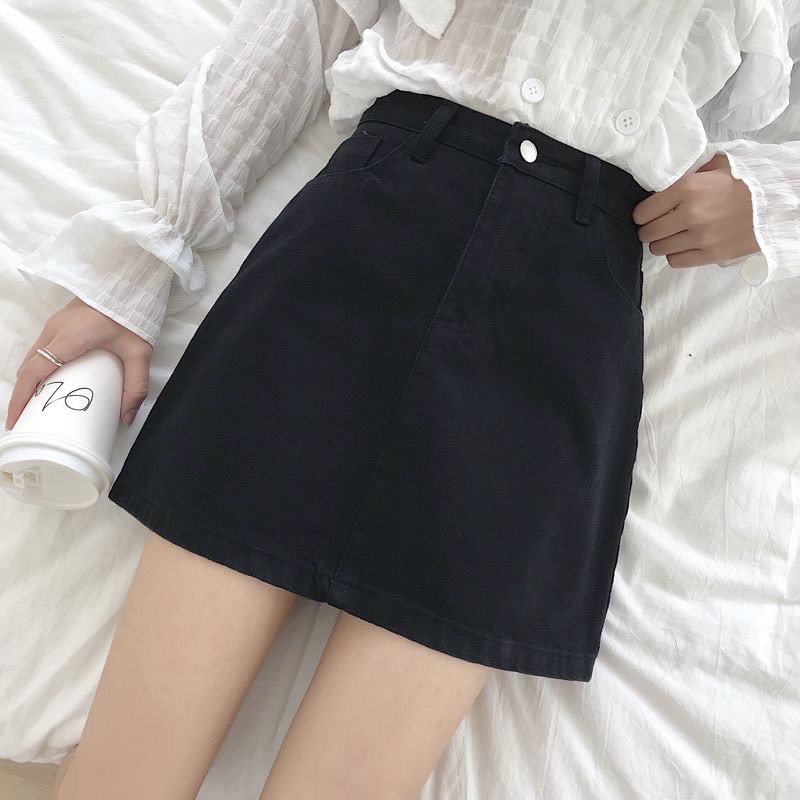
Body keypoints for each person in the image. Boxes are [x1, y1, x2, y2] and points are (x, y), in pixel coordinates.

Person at [5, 1, 798, 798]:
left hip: (562, 323)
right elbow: (301, 32)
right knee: (126, 780)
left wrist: (769, 198)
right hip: (364, 236)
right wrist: (133, 267)